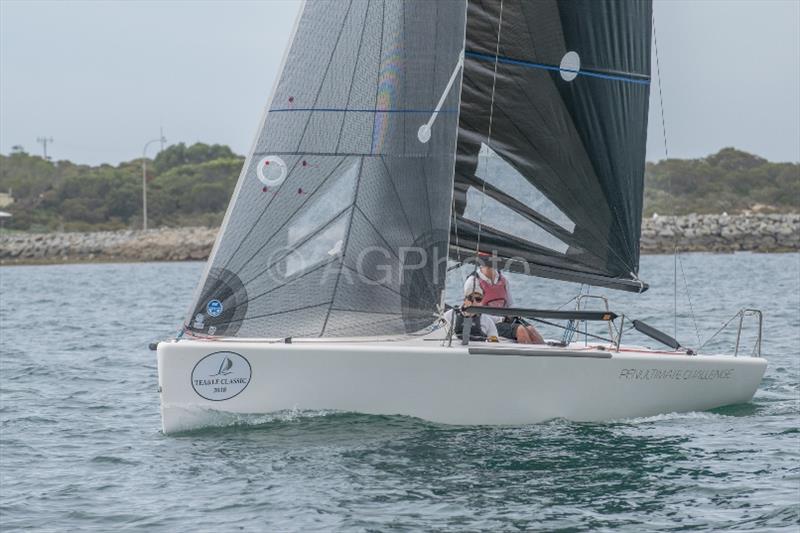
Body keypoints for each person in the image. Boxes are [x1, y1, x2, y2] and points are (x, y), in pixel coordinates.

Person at [463, 263, 545, 344]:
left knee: (531, 330)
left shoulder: (503, 280)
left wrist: (514, 314)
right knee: (521, 330)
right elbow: (475, 313)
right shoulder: (473, 282)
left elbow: (510, 305)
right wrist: (501, 319)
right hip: (487, 323)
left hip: (505, 320)